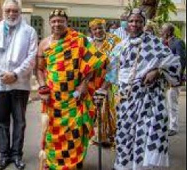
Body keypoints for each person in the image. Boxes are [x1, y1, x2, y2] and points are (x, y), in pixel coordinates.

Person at [106, 8, 181, 170]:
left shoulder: (154, 43)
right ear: (126, 23)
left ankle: (141, 167)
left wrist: (158, 70)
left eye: (138, 21)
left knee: (145, 135)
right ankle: (123, 166)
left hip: (149, 99)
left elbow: (174, 64)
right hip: (126, 100)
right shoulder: (121, 46)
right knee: (125, 135)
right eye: (132, 21)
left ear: (144, 23)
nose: (135, 24)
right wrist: (101, 91)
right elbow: (111, 74)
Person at [37, 9, 108, 169]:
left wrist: (84, 84)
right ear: (50, 23)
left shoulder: (79, 40)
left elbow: (94, 63)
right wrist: (42, 87)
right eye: (54, 21)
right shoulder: (44, 44)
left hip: (75, 97)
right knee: (52, 133)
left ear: (66, 22)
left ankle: (74, 161)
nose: (57, 24)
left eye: (60, 21)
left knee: (75, 130)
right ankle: (53, 162)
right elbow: (39, 69)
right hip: (53, 98)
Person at [0, 0, 38, 169]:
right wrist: (4, 74)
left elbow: (32, 57)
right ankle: (4, 155)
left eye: (15, 11)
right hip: (0, 84)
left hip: (20, 83)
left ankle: (16, 155)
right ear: (3, 11)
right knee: (2, 120)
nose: (11, 14)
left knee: (20, 121)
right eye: (8, 10)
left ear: (20, 12)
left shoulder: (29, 31)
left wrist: (15, 74)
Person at [89, 18, 121, 148]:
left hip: (108, 80)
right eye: (95, 29)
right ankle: (98, 136)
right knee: (94, 109)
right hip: (92, 80)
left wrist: (107, 83)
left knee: (107, 107)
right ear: (91, 31)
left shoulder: (114, 41)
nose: (98, 31)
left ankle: (109, 135)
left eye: (100, 28)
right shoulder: (89, 43)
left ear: (105, 28)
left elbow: (117, 63)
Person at [161, 23, 186, 136]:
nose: (161, 32)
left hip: (173, 79)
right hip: (162, 78)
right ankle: (165, 125)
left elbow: (182, 61)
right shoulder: (162, 43)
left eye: (162, 30)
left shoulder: (178, 42)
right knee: (164, 103)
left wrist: (176, 78)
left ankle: (173, 127)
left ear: (168, 32)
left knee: (173, 103)